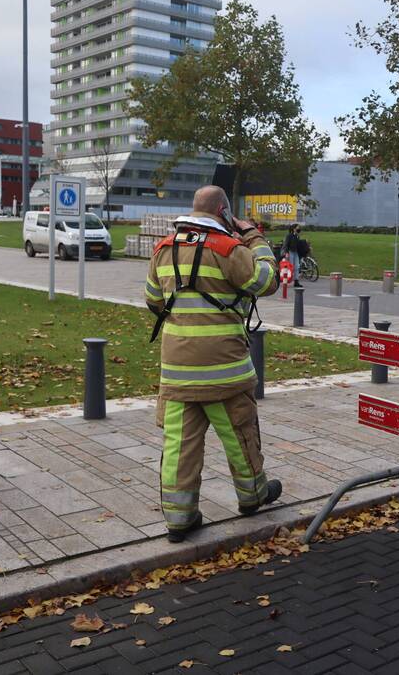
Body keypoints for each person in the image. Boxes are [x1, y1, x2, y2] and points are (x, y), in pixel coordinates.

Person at [144, 186, 282, 543]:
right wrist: (252, 235)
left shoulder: (162, 249)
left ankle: (179, 518)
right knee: (240, 436)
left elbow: (153, 300)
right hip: (225, 372)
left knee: (179, 447)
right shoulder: (229, 249)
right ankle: (252, 496)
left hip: (176, 372)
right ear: (224, 212)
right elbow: (267, 281)